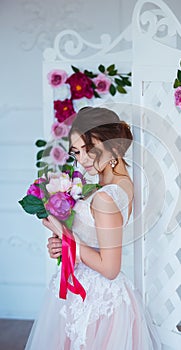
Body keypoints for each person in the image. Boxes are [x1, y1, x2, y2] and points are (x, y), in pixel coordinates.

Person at [25, 107, 161, 349]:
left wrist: (69, 240)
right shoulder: (108, 184)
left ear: (115, 147)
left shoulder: (107, 196)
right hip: (80, 290)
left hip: (97, 300)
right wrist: (61, 243)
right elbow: (90, 240)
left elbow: (110, 268)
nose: (82, 159)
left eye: (90, 150)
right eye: (77, 152)